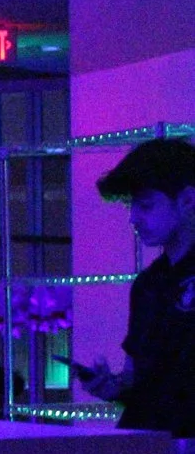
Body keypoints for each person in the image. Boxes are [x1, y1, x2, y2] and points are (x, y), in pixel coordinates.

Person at [78, 136, 195, 436]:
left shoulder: (148, 285)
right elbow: (139, 378)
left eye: (145, 205)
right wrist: (112, 387)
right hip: (149, 443)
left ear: (187, 200)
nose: (134, 218)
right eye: (132, 206)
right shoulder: (147, 285)